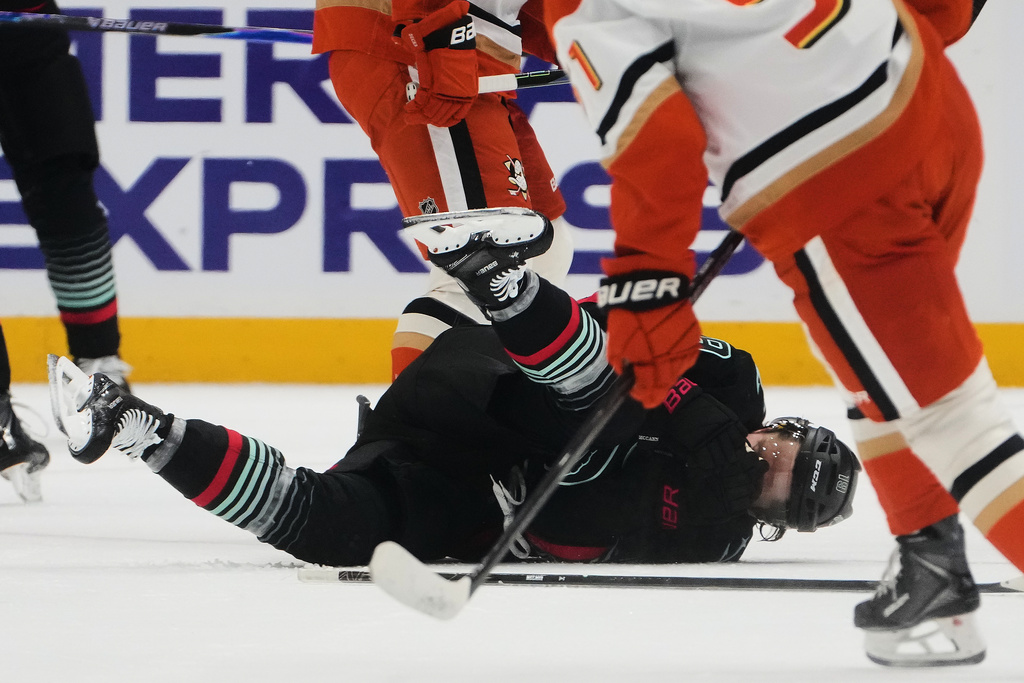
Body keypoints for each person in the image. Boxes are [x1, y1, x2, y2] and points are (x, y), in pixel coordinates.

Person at [540, 0, 1019, 667]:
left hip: (837, 178)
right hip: (926, 90)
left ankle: (937, 569)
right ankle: (929, 563)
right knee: (878, 373)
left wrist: (646, 293)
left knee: (945, 411)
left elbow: (659, 147)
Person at [47, 209, 860, 569]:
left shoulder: (713, 536)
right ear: (786, 425)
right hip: (485, 382)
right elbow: (620, 325)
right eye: (791, 449)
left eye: (786, 490)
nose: (773, 464)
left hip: (464, 481)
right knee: (605, 404)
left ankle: (134, 427)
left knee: (334, 529)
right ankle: (496, 274)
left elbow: (575, 541)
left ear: (776, 520)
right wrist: (693, 415)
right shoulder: (736, 378)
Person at [311, 0, 574, 379]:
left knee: (543, 249)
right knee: (483, 265)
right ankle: (411, 432)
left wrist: (582, 40)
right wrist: (440, 33)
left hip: (472, 55)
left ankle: (468, 414)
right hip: (425, 52)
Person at [0, 0, 132, 500]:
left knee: (66, 193)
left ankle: (98, 369)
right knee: (64, 194)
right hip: (27, 26)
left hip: (25, 24)